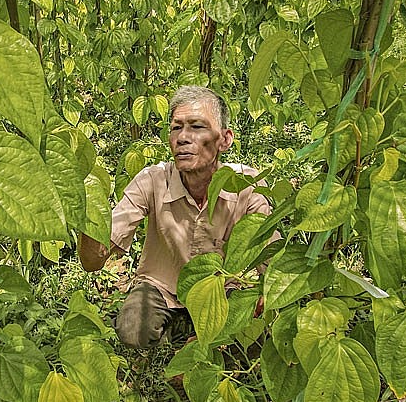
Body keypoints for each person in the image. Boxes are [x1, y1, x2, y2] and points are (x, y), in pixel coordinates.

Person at [78, 86, 272, 348]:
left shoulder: (246, 186)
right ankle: (183, 330)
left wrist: (258, 298)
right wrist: (86, 213)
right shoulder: (153, 180)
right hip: (162, 285)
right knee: (133, 330)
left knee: (248, 335)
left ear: (225, 139)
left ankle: (195, 335)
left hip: (223, 287)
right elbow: (93, 261)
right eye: (176, 128)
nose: (183, 137)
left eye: (197, 127)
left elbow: (269, 262)